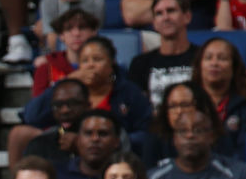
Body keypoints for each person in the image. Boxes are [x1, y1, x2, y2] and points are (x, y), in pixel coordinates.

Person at [21, 38, 152, 138]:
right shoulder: (70, 91)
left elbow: (147, 132)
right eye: (85, 61)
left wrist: (116, 141)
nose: (90, 65)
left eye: (97, 59)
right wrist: (67, 81)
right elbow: (32, 117)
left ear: (112, 62)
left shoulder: (128, 92)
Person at [190, 37, 246, 158]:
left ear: (234, 67)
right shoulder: (187, 100)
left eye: (222, 58)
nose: (214, 63)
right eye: (208, 58)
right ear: (199, 65)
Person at [128, 0, 196, 108]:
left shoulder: (202, 57)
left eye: (171, 11)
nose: (165, 17)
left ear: (187, 17)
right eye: (159, 13)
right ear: (154, 23)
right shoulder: (140, 63)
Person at [31, 9, 101, 98]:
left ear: (93, 32)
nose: (76, 33)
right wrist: (70, 79)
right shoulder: (46, 68)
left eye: (82, 28)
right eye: (69, 29)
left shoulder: (104, 66)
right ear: (61, 35)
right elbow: (38, 104)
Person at [20, 79, 90, 166]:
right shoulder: (40, 144)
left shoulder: (100, 140)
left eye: (72, 103)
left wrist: (83, 146)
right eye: (58, 105)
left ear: (88, 106)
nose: (65, 110)